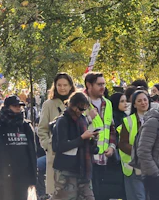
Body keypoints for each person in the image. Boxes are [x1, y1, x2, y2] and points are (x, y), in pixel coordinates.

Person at [0, 96, 37, 200]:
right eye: (15, 106)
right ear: (6, 107)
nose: (18, 108)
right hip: (1, 177)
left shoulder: (26, 127)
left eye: (20, 106)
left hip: (22, 177)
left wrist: (33, 178)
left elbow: (32, 153)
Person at [51, 91, 97, 200]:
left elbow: (85, 145)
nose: (82, 112)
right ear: (72, 105)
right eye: (80, 109)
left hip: (83, 169)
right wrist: (82, 138)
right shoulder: (63, 120)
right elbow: (60, 146)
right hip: (67, 170)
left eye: (84, 109)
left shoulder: (82, 120)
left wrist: (92, 140)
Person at [38, 72, 76, 197]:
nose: (62, 88)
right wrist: (48, 145)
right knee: (57, 193)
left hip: (75, 153)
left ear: (71, 86)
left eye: (65, 85)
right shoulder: (48, 104)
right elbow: (42, 129)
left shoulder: (78, 103)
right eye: (59, 85)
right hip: (56, 154)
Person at [84, 72, 120, 200]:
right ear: (89, 85)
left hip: (103, 157)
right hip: (86, 157)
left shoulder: (108, 103)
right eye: (99, 84)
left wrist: (111, 147)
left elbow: (111, 129)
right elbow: (74, 127)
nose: (102, 87)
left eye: (103, 84)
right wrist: (89, 118)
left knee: (101, 194)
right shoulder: (81, 102)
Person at [117, 90, 150, 200]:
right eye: (139, 101)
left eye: (145, 100)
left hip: (152, 167)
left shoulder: (156, 119)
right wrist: (138, 152)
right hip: (133, 167)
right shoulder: (128, 121)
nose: (143, 103)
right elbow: (122, 144)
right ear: (134, 104)